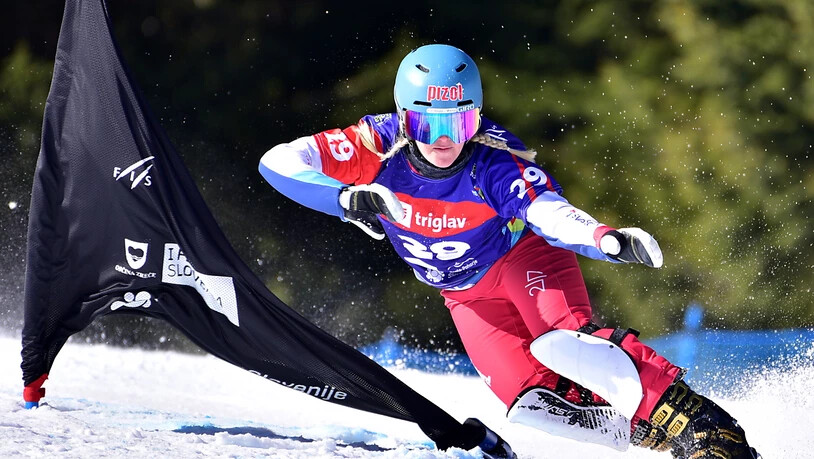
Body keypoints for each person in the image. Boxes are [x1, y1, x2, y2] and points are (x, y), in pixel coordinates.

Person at [259, 44, 759, 458]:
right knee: (532, 400)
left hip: (522, 262)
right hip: (465, 296)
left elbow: (547, 210)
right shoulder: (374, 144)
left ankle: (711, 431)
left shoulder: (492, 161)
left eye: (458, 126)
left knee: (566, 343)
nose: (443, 143)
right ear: (403, 118)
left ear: (476, 119)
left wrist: (604, 239)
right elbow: (277, 163)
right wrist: (343, 199)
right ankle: (666, 436)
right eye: (428, 127)